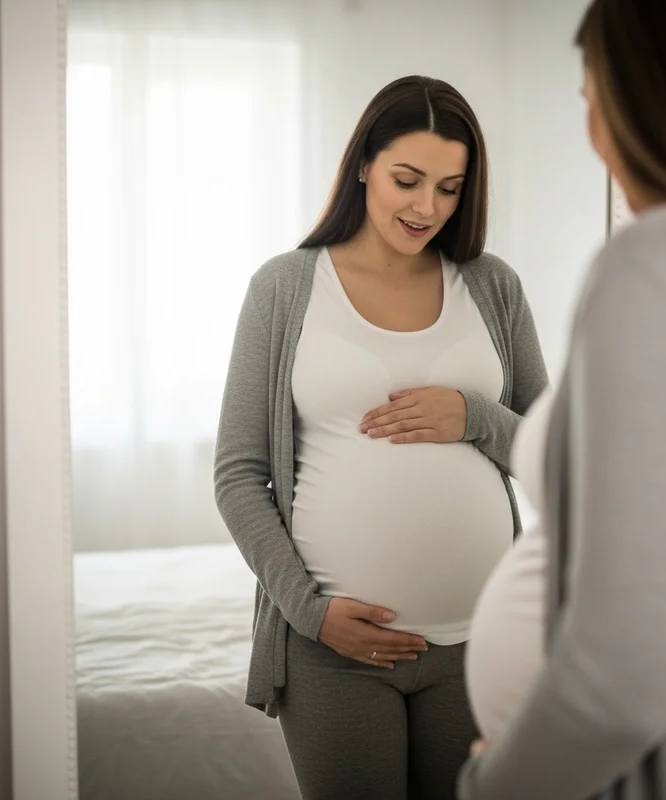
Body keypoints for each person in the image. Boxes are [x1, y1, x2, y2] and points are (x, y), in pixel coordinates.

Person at [459, 0, 666, 798]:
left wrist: (493, 785)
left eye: (592, 94)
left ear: (648, 102)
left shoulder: (664, 266)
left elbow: (617, 684)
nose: (591, 122)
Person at [213, 75, 548, 800]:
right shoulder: (285, 287)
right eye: (408, 179)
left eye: (451, 187)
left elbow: (560, 458)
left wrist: (476, 418)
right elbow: (238, 475)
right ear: (363, 162)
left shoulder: (492, 286)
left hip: (480, 646)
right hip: (336, 654)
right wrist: (309, 611)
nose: (428, 207)